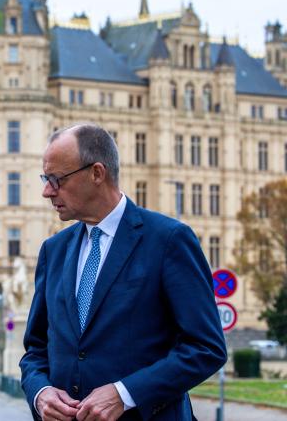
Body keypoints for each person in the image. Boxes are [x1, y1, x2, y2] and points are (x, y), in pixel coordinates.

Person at [20, 124, 227, 421]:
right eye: (45, 178)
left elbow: (206, 348)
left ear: (97, 173)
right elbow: (36, 349)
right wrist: (40, 393)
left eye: (56, 179)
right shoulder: (54, 250)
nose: (46, 191)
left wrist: (126, 393)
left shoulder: (168, 240)